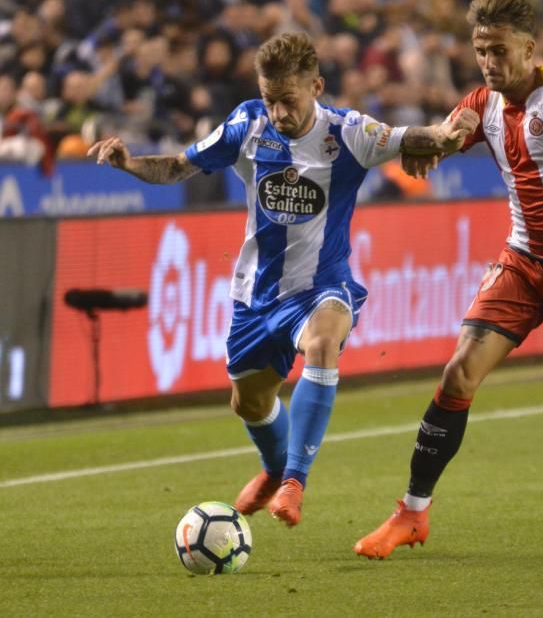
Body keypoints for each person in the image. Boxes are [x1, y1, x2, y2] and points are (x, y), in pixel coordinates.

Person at [88, 31, 478, 527]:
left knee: (322, 342)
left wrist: (451, 131)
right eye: (270, 100)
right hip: (258, 294)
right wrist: (130, 165)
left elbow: (418, 138)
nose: (278, 113)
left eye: (288, 101)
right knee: (249, 402)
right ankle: (274, 469)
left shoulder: (350, 133)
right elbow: (181, 166)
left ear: (316, 86)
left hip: (322, 286)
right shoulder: (247, 123)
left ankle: (294, 480)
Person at [353, 0, 543, 560]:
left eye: (499, 50)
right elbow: (444, 136)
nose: (489, 62)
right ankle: (412, 513)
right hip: (521, 263)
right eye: (480, 50)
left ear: (530, 48)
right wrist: (429, 147)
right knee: (459, 373)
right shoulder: (481, 102)